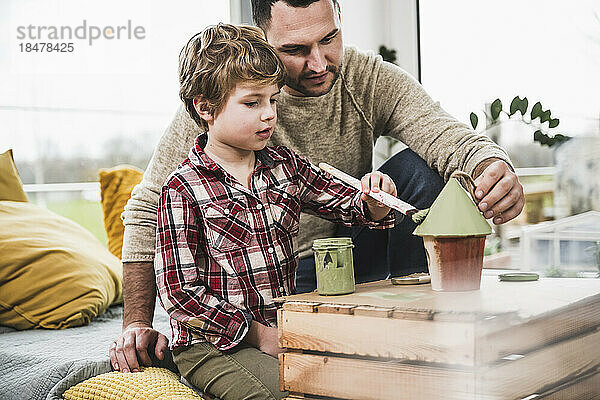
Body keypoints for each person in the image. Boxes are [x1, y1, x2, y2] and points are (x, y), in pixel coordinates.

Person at [109, 0, 524, 374]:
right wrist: (137, 323)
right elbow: (148, 209)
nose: (319, 62)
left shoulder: (365, 79)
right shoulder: (225, 100)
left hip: (356, 247)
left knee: (420, 169)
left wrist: (492, 166)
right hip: (286, 280)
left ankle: (427, 328)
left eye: (329, 38)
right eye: (295, 50)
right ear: (264, 42)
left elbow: (444, 135)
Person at [152, 23, 396, 399]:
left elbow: (349, 203)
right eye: (252, 103)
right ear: (205, 108)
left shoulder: (286, 167)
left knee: (363, 380)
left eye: (274, 100)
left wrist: (375, 201)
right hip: (211, 346)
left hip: (281, 329)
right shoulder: (182, 189)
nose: (269, 115)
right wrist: (259, 334)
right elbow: (180, 294)